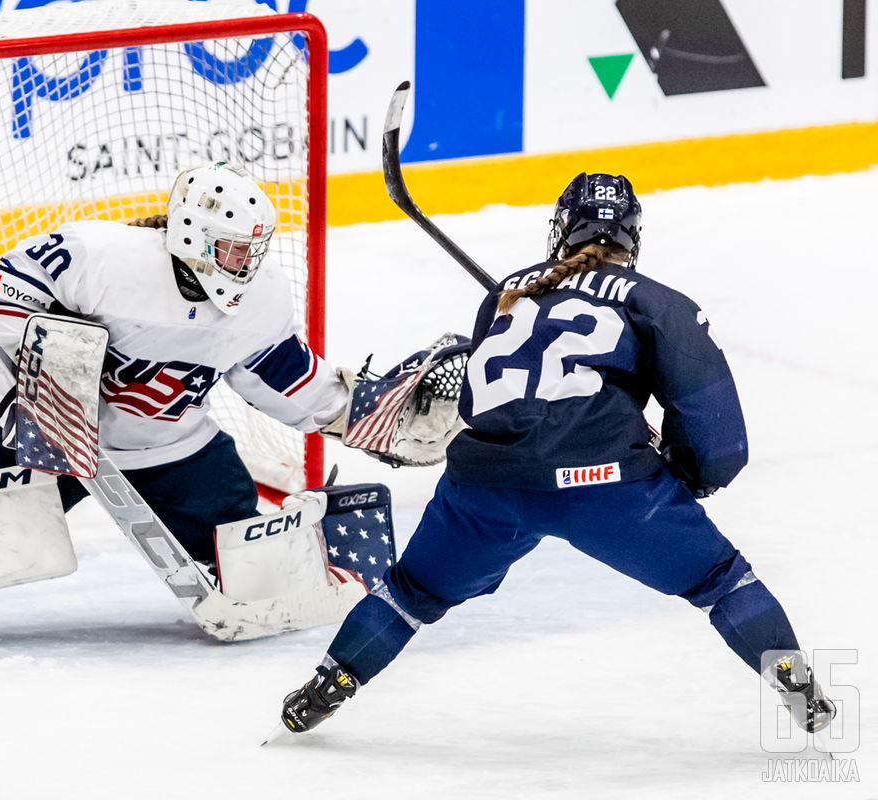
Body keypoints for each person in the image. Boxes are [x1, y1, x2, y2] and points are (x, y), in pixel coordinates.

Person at [276, 172, 836, 737]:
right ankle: (799, 689)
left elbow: (486, 401)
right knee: (722, 581)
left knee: (410, 593)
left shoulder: (509, 294)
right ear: (631, 238)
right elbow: (720, 441)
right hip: (609, 486)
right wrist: (684, 477)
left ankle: (328, 682)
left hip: (486, 488)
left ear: (562, 230)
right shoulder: (658, 304)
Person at [0, 161, 349, 564]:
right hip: (48, 437)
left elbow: (286, 374)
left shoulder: (261, 299)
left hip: (170, 450)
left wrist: (357, 412)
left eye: (252, 251)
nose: (247, 265)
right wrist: (44, 369)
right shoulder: (103, 257)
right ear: (194, 235)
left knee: (243, 557)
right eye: (236, 249)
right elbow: (9, 288)